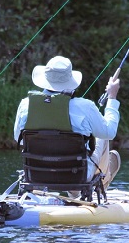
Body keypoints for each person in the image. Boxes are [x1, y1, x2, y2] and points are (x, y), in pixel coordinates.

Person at [13, 56, 122, 190]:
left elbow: (19, 139)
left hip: (35, 173)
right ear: (70, 80)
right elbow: (110, 132)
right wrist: (112, 97)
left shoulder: (25, 105)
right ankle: (103, 183)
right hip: (77, 175)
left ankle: (75, 192)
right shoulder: (85, 106)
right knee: (102, 136)